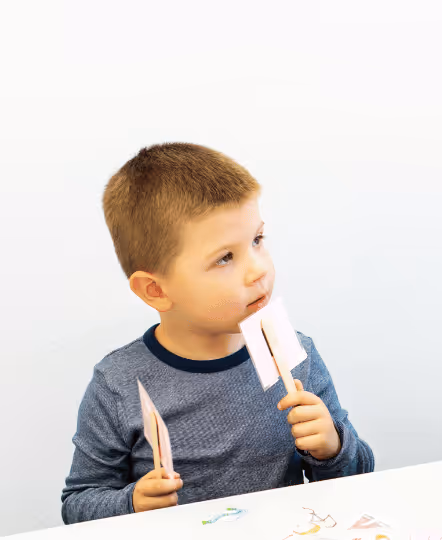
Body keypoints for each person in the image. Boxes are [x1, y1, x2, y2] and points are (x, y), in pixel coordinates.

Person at [61, 143, 374, 524]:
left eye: (257, 240)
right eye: (225, 258)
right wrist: (131, 504)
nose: (258, 269)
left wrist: (332, 447)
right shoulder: (118, 384)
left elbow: (357, 479)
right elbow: (77, 504)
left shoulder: (298, 355)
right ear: (156, 290)